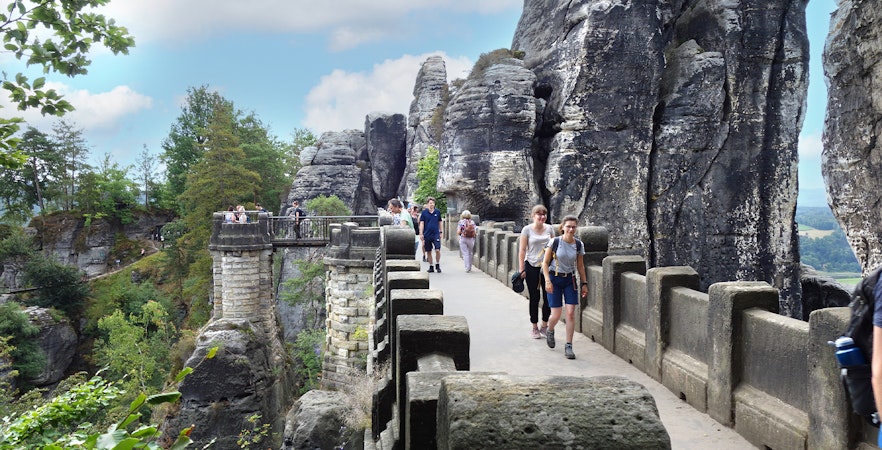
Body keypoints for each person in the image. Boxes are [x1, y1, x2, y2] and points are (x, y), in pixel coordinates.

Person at [541, 215, 587, 360]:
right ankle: (550, 329)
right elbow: (545, 263)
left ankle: (568, 345)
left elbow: (580, 265)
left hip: (570, 279)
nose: (571, 229)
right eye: (568, 226)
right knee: (556, 314)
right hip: (554, 278)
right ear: (562, 227)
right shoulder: (555, 242)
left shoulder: (578, 245)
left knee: (571, 313)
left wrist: (584, 283)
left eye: (573, 227)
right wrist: (547, 280)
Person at [519, 205, 555, 339]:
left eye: (544, 214)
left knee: (548, 298)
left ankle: (544, 326)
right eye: (539, 214)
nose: (542, 216)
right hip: (532, 266)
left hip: (547, 267)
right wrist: (521, 268)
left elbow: (554, 247)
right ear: (533, 215)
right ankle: (534, 327)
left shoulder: (550, 229)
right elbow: (522, 250)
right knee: (534, 298)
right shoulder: (526, 230)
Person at [419, 197, 443, 273]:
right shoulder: (424, 213)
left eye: (432, 203)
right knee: (428, 251)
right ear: (427, 204)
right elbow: (422, 223)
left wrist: (441, 231)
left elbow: (440, 222)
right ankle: (431, 265)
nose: (431, 204)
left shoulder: (437, 212)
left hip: (436, 233)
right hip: (427, 234)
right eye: (430, 203)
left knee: (437, 250)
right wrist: (421, 233)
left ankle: (437, 264)